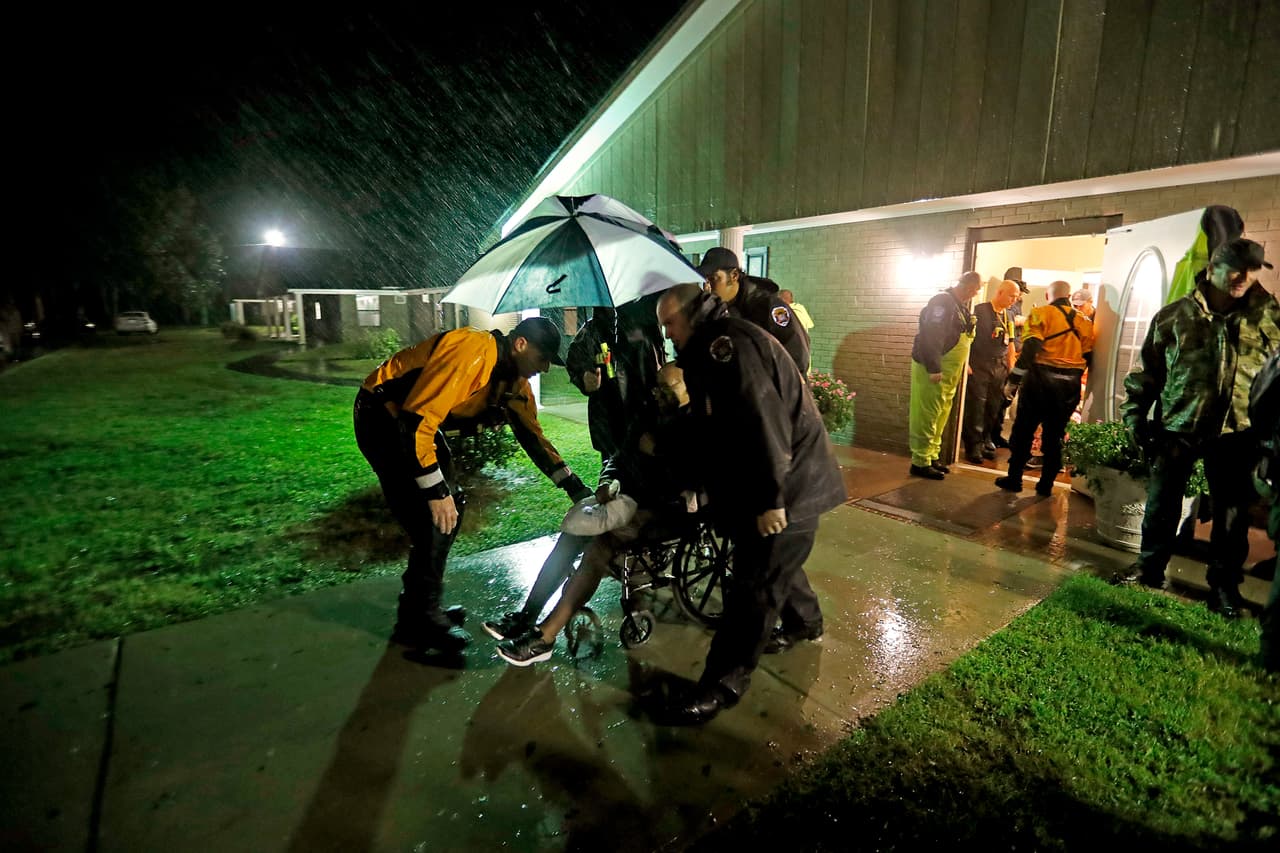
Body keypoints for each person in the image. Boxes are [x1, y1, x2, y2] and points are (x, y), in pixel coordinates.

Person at [653, 284, 846, 725]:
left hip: (788, 487)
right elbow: (717, 424)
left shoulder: (726, 346)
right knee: (778, 563)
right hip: (788, 482)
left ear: (692, 312)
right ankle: (805, 623)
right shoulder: (717, 342)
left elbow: (762, 421)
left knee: (753, 588)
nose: (667, 334)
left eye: (670, 324)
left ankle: (721, 685)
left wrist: (770, 500)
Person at [353, 317, 593, 653]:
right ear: (521, 344)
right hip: (383, 415)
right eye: (543, 359)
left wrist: (575, 488)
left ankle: (419, 609)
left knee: (449, 510)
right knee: (434, 515)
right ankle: (420, 616)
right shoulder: (472, 350)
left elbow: (533, 438)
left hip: (410, 424)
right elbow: (416, 422)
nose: (544, 369)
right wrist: (436, 493)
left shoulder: (513, 381)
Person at [482, 298, 667, 643]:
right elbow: (580, 367)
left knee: (598, 533)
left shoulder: (651, 337)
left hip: (651, 487)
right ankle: (529, 615)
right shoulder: (595, 332)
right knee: (581, 525)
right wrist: (587, 380)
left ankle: (625, 593)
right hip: (621, 449)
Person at [1118, 238, 1280, 618]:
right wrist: (1136, 416)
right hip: (1180, 425)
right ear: (1213, 268)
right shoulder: (1175, 316)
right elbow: (1148, 371)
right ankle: (1149, 569)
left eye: (1252, 270)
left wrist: (1271, 433)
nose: (1244, 277)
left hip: (1239, 434)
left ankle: (1224, 587)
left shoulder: (1270, 319)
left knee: (1231, 515)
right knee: (1161, 504)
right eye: (1236, 268)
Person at [494, 362, 697, 665]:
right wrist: (608, 482)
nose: (657, 394)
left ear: (688, 387)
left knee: (602, 545)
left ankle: (545, 637)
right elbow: (619, 456)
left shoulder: (697, 424)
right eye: (656, 387)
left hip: (667, 511)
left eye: (666, 388)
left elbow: (695, 478)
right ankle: (527, 616)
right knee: (571, 534)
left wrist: (658, 452)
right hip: (628, 499)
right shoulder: (647, 413)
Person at [995, 280, 1094, 496]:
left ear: (1049, 296)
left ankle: (1014, 479)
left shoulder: (1041, 313)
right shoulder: (1084, 321)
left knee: (1023, 431)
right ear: (1068, 297)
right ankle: (1046, 485)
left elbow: (1030, 348)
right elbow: (1088, 356)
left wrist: (1013, 380)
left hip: (1040, 380)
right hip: (1069, 384)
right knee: (1055, 434)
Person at [908, 271, 983, 479]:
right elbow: (931, 335)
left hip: (950, 373)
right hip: (934, 370)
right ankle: (920, 461)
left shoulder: (961, 307)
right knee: (927, 415)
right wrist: (934, 367)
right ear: (969, 287)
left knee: (940, 415)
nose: (975, 294)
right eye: (976, 290)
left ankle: (932, 456)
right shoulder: (942, 301)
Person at [696, 247, 810, 374]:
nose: (709, 288)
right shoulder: (720, 309)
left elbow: (797, 354)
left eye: (713, 279)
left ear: (734, 275)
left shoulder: (768, 306)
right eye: (705, 281)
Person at [963, 279, 1020, 464]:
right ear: (1000, 292)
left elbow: (1010, 342)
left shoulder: (1009, 315)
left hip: (1000, 366)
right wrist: (966, 362)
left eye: (1016, 297)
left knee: (994, 406)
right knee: (977, 406)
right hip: (980, 364)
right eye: (1011, 295)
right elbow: (966, 338)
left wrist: (1011, 366)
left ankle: (986, 439)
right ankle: (973, 444)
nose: (1014, 300)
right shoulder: (980, 311)